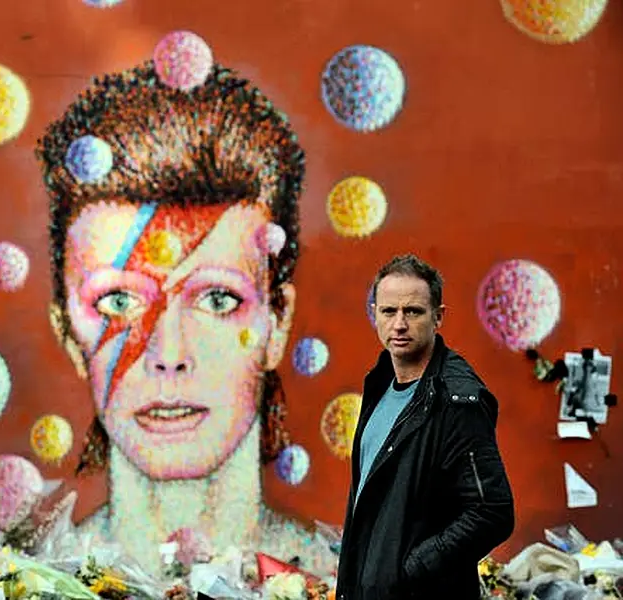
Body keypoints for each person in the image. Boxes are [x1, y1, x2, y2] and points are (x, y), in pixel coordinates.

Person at [35, 61, 329, 574]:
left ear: (277, 323)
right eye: (119, 302)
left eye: (217, 299)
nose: (168, 354)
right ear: (67, 334)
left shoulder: (341, 579)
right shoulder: (29, 585)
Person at [335, 254, 515, 600]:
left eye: (413, 311)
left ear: (438, 317)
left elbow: (492, 512)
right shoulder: (380, 383)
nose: (399, 324)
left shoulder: (458, 400)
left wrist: (411, 570)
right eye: (389, 311)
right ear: (374, 314)